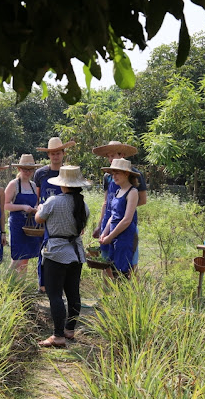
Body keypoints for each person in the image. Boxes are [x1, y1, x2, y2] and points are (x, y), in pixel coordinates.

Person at [35, 165, 90, 347]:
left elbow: (39, 218)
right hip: (76, 253)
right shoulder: (83, 204)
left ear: (63, 185)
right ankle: (69, 329)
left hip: (56, 252)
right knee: (73, 293)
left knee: (55, 295)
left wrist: (40, 208)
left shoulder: (53, 201)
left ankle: (58, 336)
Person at [92, 141, 147, 275]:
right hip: (111, 227)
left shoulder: (133, 186)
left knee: (127, 267)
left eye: (113, 156)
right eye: (108, 156)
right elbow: (108, 206)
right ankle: (108, 294)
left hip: (125, 229)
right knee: (109, 263)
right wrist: (103, 229)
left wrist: (125, 208)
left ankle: (129, 295)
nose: (110, 159)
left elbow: (129, 215)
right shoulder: (112, 184)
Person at [34, 137, 76, 292]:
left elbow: (75, 198)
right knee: (43, 251)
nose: (55, 156)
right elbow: (37, 197)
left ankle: (61, 286)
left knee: (63, 252)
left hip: (64, 220)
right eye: (52, 153)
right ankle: (42, 285)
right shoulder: (40, 173)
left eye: (58, 153)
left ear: (63, 153)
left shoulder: (69, 173)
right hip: (44, 216)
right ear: (48, 155)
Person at [99, 158, 140, 277]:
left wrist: (110, 236)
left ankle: (124, 295)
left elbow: (127, 220)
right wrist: (105, 233)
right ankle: (115, 295)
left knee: (123, 272)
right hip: (114, 235)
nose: (114, 176)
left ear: (126, 174)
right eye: (113, 173)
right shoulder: (118, 192)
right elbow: (112, 215)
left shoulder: (132, 192)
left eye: (117, 173)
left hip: (125, 236)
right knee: (113, 269)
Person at [5, 154, 43, 274]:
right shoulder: (14, 184)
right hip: (17, 224)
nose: (28, 172)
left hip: (30, 226)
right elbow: (5, 205)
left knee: (26, 257)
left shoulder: (33, 185)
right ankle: (5, 282)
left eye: (30, 169)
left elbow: (36, 202)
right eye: (25, 169)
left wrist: (36, 208)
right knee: (17, 257)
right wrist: (22, 207)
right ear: (19, 169)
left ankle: (21, 285)